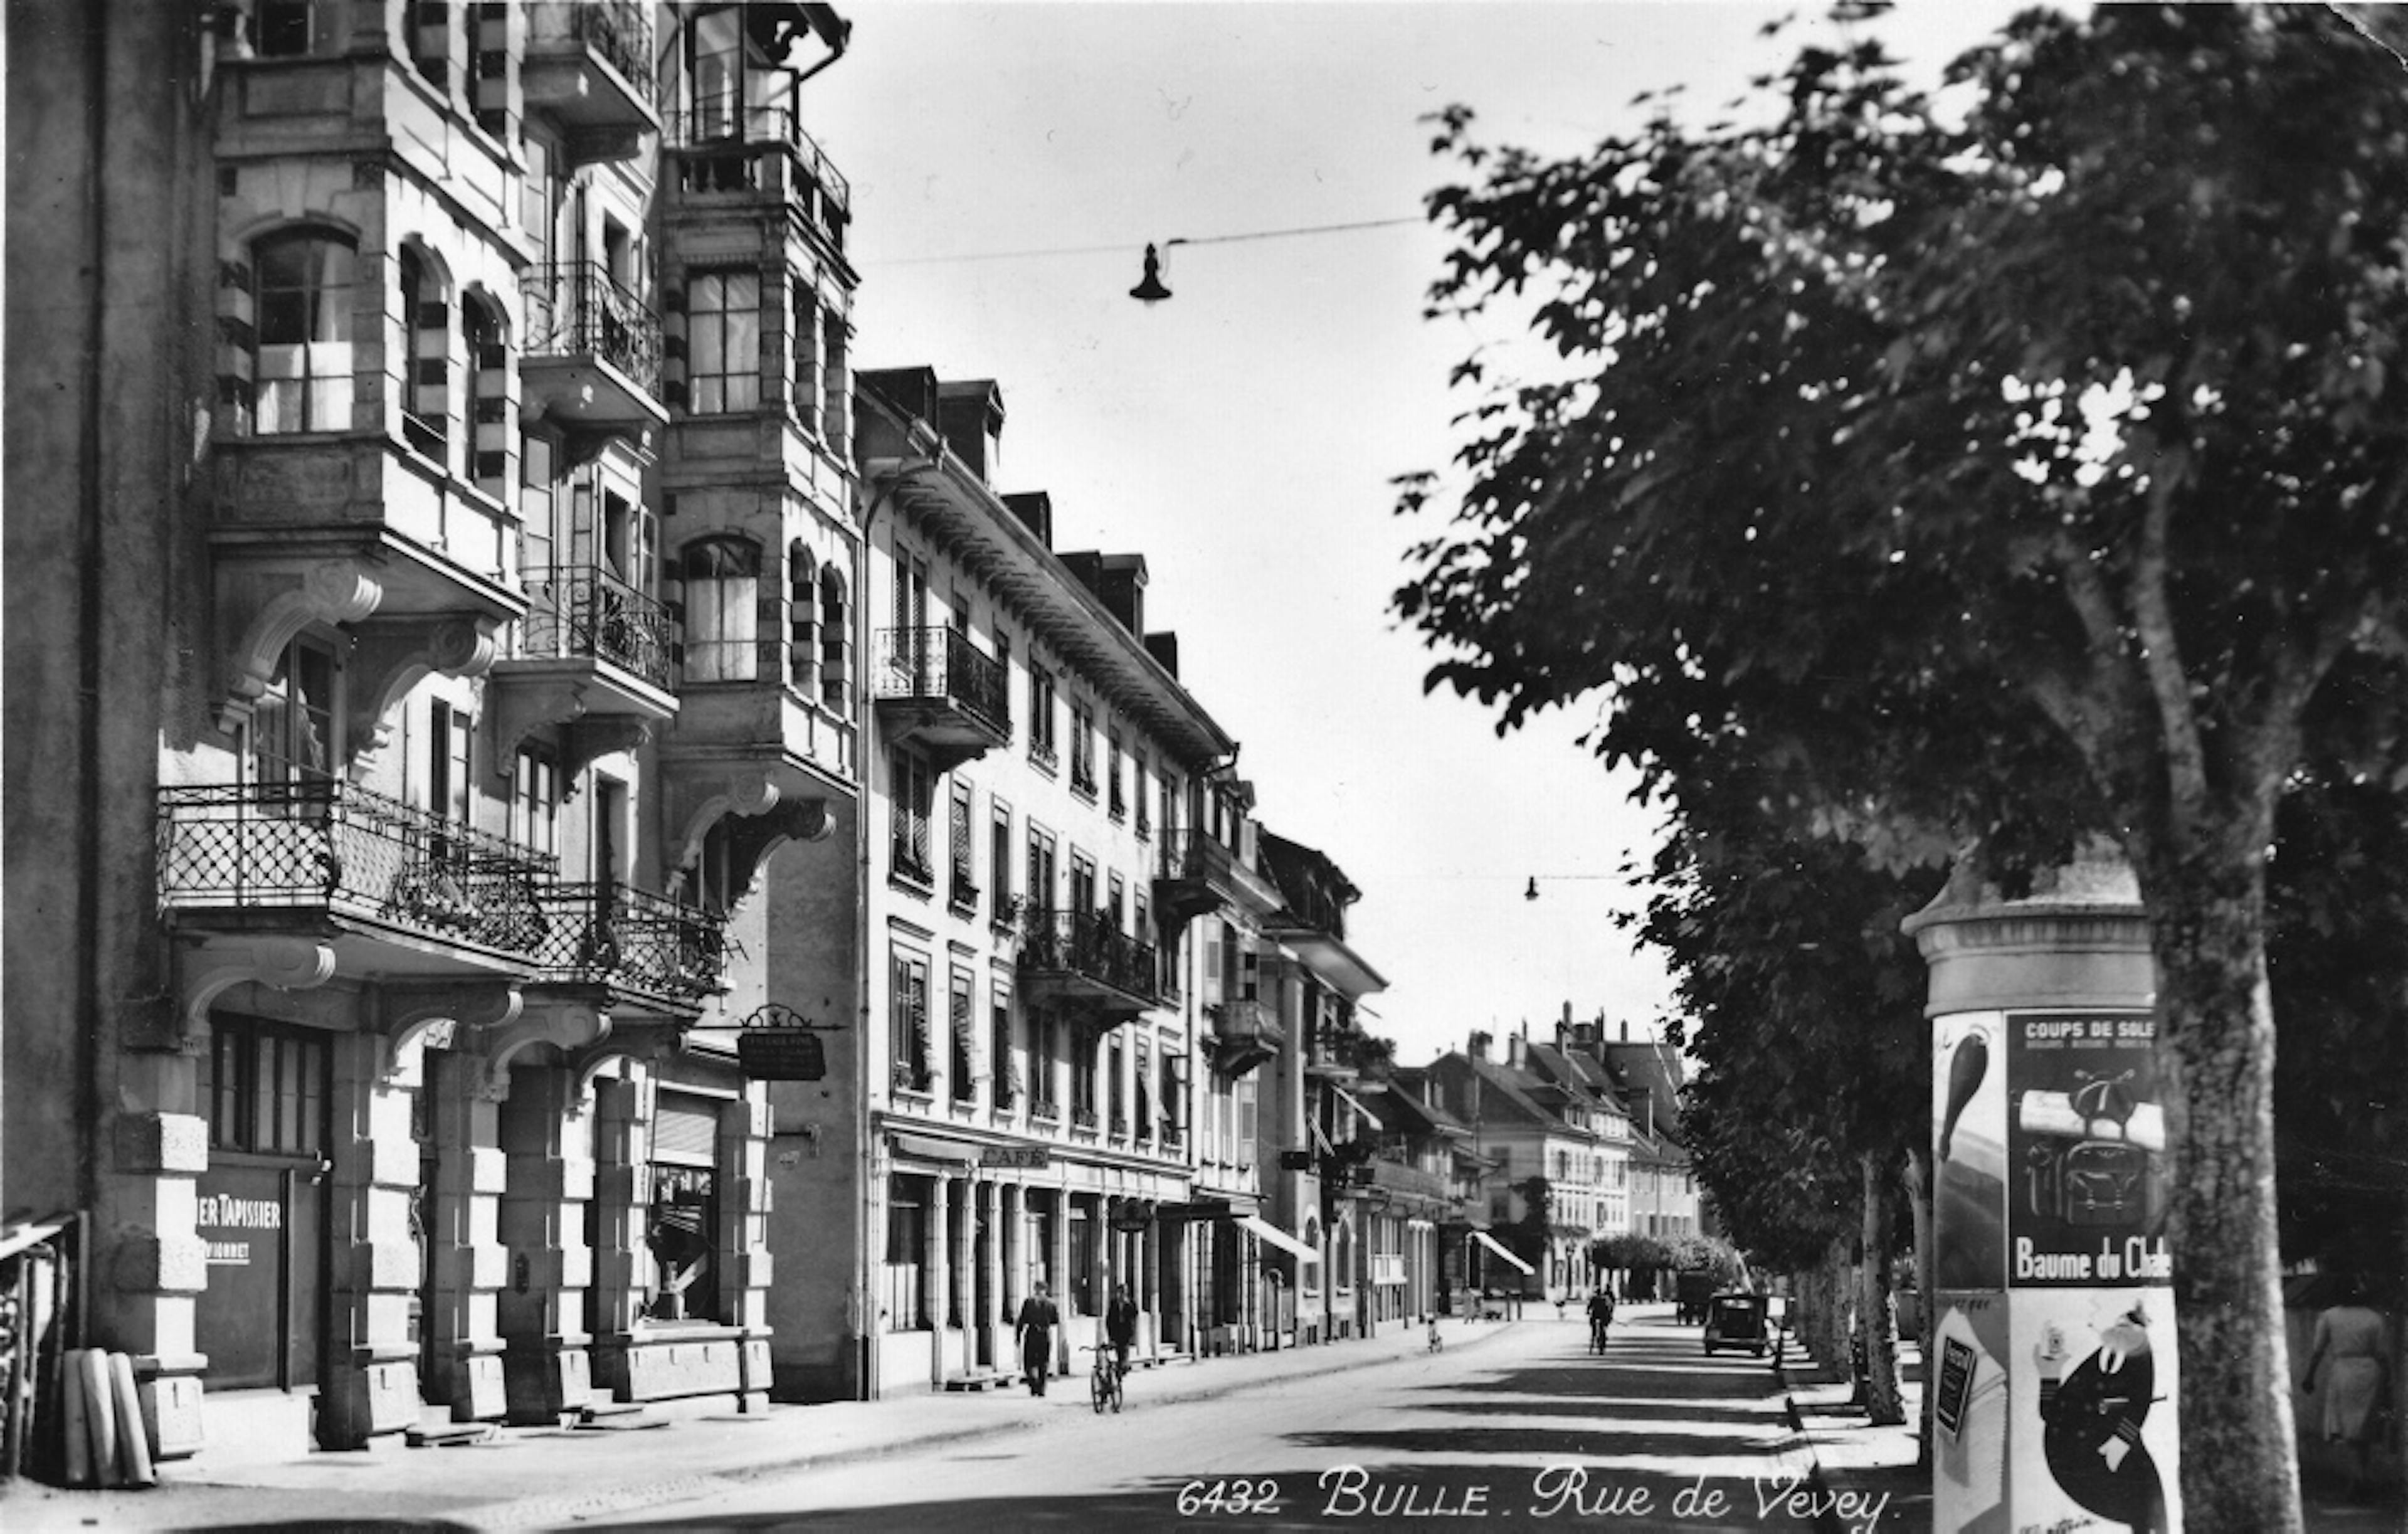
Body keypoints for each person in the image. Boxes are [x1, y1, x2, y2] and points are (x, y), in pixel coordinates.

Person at [2302, 1277, 2390, 1500]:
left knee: (2350, 1430)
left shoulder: (2330, 1316)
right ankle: (2359, 1478)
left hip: (2345, 1371)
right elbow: (2382, 1355)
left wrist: (2310, 1376)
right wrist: (2388, 1382)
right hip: (2370, 1372)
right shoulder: (2374, 1318)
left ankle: (2358, 1480)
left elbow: (2318, 1350)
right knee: (2364, 1430)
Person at [1015, 1280, 1061, 1396]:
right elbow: (1056, 1320)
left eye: (1039, 1289)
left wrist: (1018, 1336)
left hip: (1037, 1334)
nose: (1039, 1292)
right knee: (1036, 1363)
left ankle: (1037, 1387)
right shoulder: (1048, 1304)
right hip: (1040, 1334)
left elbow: (1022, 1320)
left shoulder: (1032, 1303)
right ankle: (1038, 1386)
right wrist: (1018, 1336)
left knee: (1037, 1363)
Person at [1104, 1282, 1140, 1382]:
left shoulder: (1130, 1303)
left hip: (1126, 1333)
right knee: (1119, 1353)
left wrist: (1128, 1303)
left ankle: (1122, 1370)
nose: (1122, 1295)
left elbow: (1135, 1314)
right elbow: (1109, 1318)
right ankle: (1119, 1373)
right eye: (1120, 1292)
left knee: (1124, 1353)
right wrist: (1110, 1334)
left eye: (1124, 1292)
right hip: (1116, 1332)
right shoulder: (1114, 1303)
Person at [1587, 1287, 1617, 1352]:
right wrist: (1610, 1315)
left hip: (1595, 1315)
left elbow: (1589, 1307)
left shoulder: (1593, 1299)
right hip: (1603, 1315)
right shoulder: (1605, 1299)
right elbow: (1609, 1307)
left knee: (1594, 1328)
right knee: (1603, 1328)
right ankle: (1603, 1339)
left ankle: (1593, 1338)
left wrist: (1588, 1312)